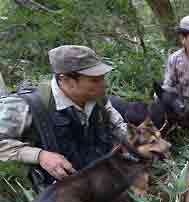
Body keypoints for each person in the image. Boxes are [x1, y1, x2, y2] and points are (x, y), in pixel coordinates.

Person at [0, 45, 127, 191]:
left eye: (102, 78)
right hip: (60, 198)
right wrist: (40, 156)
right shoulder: (26, 106)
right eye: (94, 80)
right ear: (65, 79)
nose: (103, 84)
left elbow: (119, 128)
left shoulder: (97, 99)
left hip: (102, 183)